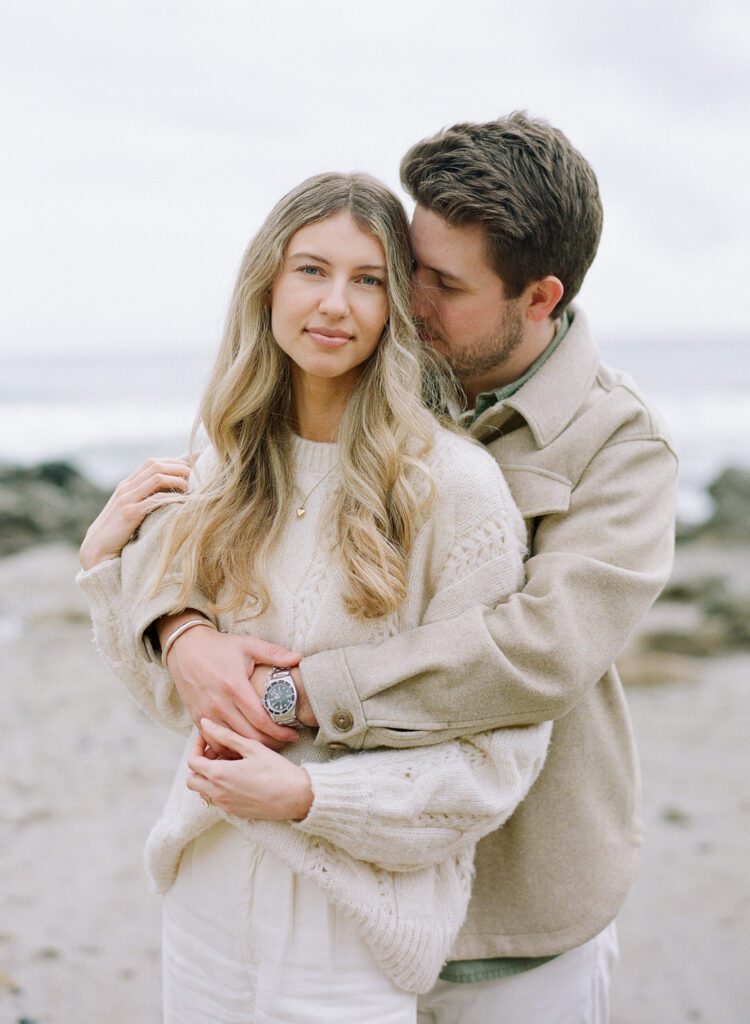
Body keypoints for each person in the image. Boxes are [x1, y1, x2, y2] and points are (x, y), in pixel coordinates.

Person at [82, 113, 679, 1023]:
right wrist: (177, 628)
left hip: (518, 904)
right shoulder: (372, 372)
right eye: (404, 270)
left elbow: (541, 652)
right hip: (331, 882)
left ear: (538, 297)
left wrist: (292, 696)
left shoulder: (617, 442)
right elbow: (231, 496)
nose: (403, 303)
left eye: (437, 283)